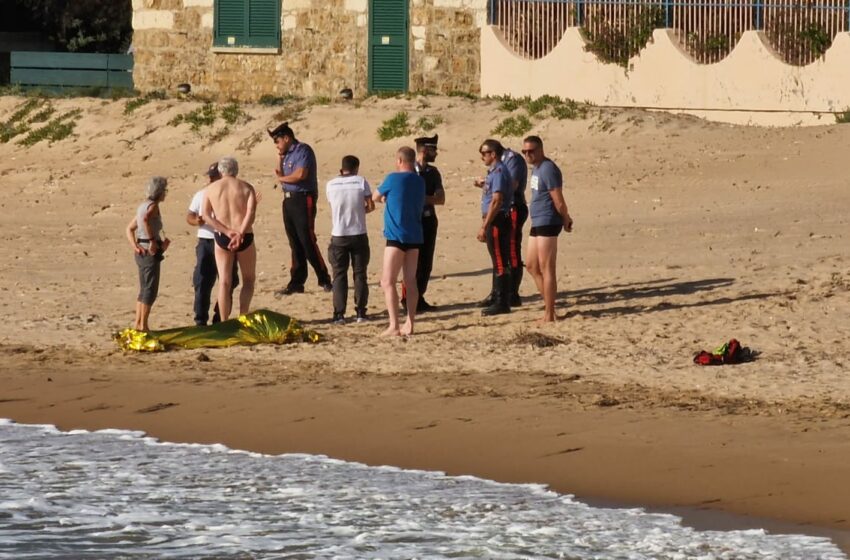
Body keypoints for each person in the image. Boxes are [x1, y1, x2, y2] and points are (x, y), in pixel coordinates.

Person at [268, 122, 332, 296]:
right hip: (289, 199)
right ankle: (297, 281)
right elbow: (279, 173)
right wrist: (280, 158)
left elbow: (300, 175)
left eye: (278, 141)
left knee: (307, 239)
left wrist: (282, 178)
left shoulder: (303, 150)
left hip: (304, 199)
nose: (277, 145)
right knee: (294, 242)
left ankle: (324, 278)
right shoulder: (286, 154)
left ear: (287, 138)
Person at [373, 147, 426, 336]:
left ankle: (394, 324)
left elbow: (375, 196)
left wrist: (386, 198)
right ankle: (410, 322)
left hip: (397, 236)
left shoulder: (393, 178)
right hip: (415, 235)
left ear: (399, 161)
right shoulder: (420, 181)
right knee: (410, 281)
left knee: (387, 281)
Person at [522, 135, 574, 322]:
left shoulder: (548, 169)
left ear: (540, 150)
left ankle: (549, 313)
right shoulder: (536, 169)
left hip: (548, 220)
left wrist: (565, 218)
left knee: (546, 267)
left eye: (531, 151)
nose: (528, 154)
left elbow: (558, 199)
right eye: (525, 151)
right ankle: (550, 304)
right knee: (531, 265)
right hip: (537, 220)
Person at [201, 157, 258, 321]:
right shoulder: (246, 187)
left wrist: (226, 231)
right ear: (236, 170)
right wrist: (239, 232)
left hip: (223, 236)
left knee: (224, 282)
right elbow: (250, 213)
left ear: (220, 171)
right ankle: (243, 315)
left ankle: (224, 320)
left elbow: (206, 215)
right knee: (248, 279)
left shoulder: (211, 189)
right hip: (244, 235)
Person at [186, 162, 239, 326]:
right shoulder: (202, 194)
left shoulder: (231, 192)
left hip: (224, 239)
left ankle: (220, 316)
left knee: (229, 280)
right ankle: (200, 319)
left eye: (213, 175)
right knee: (202, 280)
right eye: (209, 175)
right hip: (206, 240)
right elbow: (190, 216)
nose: (210, 178)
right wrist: (197, 220)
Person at [326, 155, 374, 324]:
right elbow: (370, 205)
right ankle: (361, 312)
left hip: (339, 234)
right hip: (358, 232)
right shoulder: (361, 181)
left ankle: (339, 314)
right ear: (356, 168)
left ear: (342, 169)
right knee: (360, 274)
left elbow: (333, 206)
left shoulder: (331, 184)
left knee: (339, 275)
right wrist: (361, 212)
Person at [401, 134, 444, 312]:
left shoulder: (433, 172)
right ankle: (407, 299)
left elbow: (440, 198)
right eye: (433, 149)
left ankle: (419, 297)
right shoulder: (408, 171)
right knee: (411, 263)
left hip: (428, 220)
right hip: (412, 222)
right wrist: (426, 198)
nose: (436, 153)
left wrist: (421, 199)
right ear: (425, 150)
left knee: (426, 262)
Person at [474, 139, 513, 316]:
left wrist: (485, 225)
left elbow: (497, 201)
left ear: (493, 154)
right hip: (497, 219)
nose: (482, 157)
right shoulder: (495, 172)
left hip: (497, 221)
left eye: (484, 153)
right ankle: (498, 296)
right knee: (498, 259)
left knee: (499, 260)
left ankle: (502, 301)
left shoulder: (498, 171)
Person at [125, 176, 170, 331]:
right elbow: (144, 220)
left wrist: (135, 246)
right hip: (148, 251)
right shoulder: (152, 207)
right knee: (150, 291)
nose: (166, 193)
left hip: (142, 250)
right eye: (165, 190)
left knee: (144, 289)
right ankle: (143, 325)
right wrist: (152, 241)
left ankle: (139, 324)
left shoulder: (142, 205)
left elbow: (130, 228)